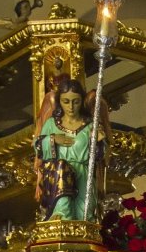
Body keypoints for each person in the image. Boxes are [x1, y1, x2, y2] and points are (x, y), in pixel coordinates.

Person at [34, 77, 105, 220]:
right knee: (63, 214)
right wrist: (53, 139)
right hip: (58, 175)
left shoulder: (90, 125)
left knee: (85, 216)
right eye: (66, 101)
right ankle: (60, 214)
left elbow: (100, 156)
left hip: (83, 175)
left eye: (76, 101)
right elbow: (38, 148)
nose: (71, 107)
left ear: (82, 101)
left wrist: (98, 141)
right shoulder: (51, 124)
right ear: (59, 101)